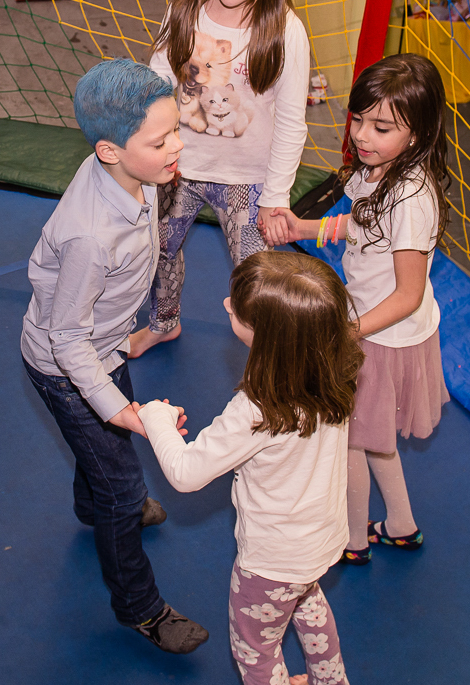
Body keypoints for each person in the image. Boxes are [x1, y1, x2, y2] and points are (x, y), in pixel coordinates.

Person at [20, 58, 209, 654]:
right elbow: (65, 340)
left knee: (102, 462)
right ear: (109, 150)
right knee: (124, 486)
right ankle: (139, 607)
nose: (177, 145)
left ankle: (89, 503)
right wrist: (120, 411)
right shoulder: (90, 234)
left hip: (103, 344)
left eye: (176, 128)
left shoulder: (137, 171)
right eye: (162, 140)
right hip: (68, 368)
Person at [137, 251, 362, 685]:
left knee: (255, 650)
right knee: (308, 603)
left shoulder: (258, 408)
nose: (225, 305)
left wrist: (155, 419)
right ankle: (330, 681)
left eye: (237, 309)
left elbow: (186, 473)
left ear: (268, 337)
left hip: (272, 561)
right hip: (320, 542)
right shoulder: (336, 374)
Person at [269, 54, 451, 565]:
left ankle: (351, 540)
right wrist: (304, 228)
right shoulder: (377, 171)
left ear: (417, 134)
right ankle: (400, 524)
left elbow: (408, 294)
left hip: (383, 335)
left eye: (382, 126)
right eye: (359, 120)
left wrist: (349, 332)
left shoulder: (412, 199)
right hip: (374, 325)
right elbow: (360, 225)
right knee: (373, 439)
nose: (363, 135)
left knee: (349, 438)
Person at [128, 0, 309, 358]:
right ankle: (164, 321)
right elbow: (158, 77)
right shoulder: (188, 9)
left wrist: (276, 195)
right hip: (180, 166)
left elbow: (291, 121)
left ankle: (262, 349)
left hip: (248, 180)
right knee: (159, 249)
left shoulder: (284, 31)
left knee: (254, 272)